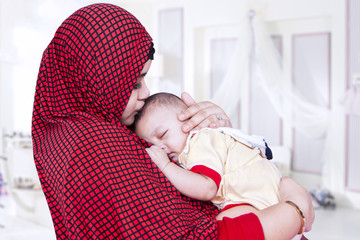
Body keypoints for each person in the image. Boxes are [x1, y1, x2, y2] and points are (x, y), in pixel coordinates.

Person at [32, 3, 314, 240]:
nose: (145, 93)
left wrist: (221, 136)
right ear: (98, 77)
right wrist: (294, 212)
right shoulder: (95, 144)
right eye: (133, 82)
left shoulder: (81, 128)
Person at [134, 92, 305, 239]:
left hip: (254, 199)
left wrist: (165, 166)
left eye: (163, 134)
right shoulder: (207, 141)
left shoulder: (199, 142)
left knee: (220, 228)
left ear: (189, 120)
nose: (160, 147)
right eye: (152, 144)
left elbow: (206, 187)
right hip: (263, 196)